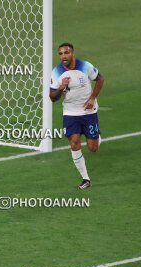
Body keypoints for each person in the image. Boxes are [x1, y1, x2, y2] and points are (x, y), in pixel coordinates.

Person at [50, 42, 104, 189]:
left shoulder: (85, 66)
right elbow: (52, 97)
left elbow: (100, 79)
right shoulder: (56, 73)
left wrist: (92, 98)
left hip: (88, 112)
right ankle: (86, 179)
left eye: (66, 53)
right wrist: (61, 88)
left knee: (93, 148)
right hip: (70, 113)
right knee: (74, 142)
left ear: (72, 53)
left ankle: (97, 136)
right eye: (60, 53)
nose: (63, 56)